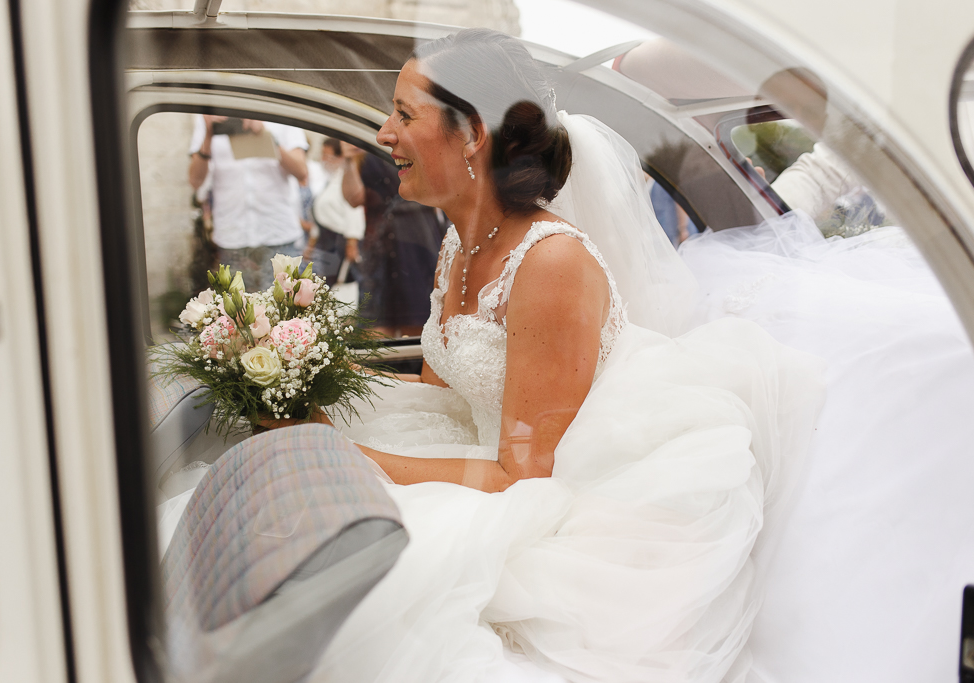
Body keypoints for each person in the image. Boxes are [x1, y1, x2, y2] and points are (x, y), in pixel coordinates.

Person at [302, 28, 824, 683]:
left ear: (472, 136)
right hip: (482, 457)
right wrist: (312, 373)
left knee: (361, 588)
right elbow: (442, 395)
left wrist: (353, 457)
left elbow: (526, 475)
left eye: (405, 114)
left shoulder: (550, 263)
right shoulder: (459, 244)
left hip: (551, 501)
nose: (383, 133)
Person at [187, 116, 310, 291]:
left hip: (279, 234)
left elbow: (301, 171)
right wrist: (208, 135)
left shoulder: (281, 108)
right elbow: (195, 180)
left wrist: (266, 136)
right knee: (238, 315)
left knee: (284, 312)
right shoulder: (210, 114)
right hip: (232, 238)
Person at [341, 141, 446, 337]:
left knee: (419, 328)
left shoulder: (416, 143)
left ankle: (415, 368)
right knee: (376, 333)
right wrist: (349, 160)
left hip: (417, 246)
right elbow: (354, 198)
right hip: (380, 251)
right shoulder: (366, 148)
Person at [303, 138, 365, 283]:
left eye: (328, 156)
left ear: (340, 157)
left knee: (336, 284)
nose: (324, 160)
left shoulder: (347, 180)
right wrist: (311, 244)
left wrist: (352, 243)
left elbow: (354, 210)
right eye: (322, 155)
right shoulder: (330, 179)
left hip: (339, 242)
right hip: (325, 240)